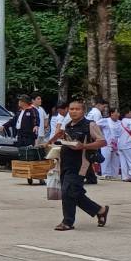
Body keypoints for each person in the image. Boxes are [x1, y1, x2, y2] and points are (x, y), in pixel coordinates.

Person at [47, 99, 109, 232]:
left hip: (80, 164)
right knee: (74, 192)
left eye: (77, 109)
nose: (74, 111)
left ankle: (67, 222)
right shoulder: (68, 125)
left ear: (83, 111)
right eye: (71, 109)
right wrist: (51, 143)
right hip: (65, 163)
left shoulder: (90, 125)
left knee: (68, 191)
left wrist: (84, 146)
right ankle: (100, 210)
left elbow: (102, 142)